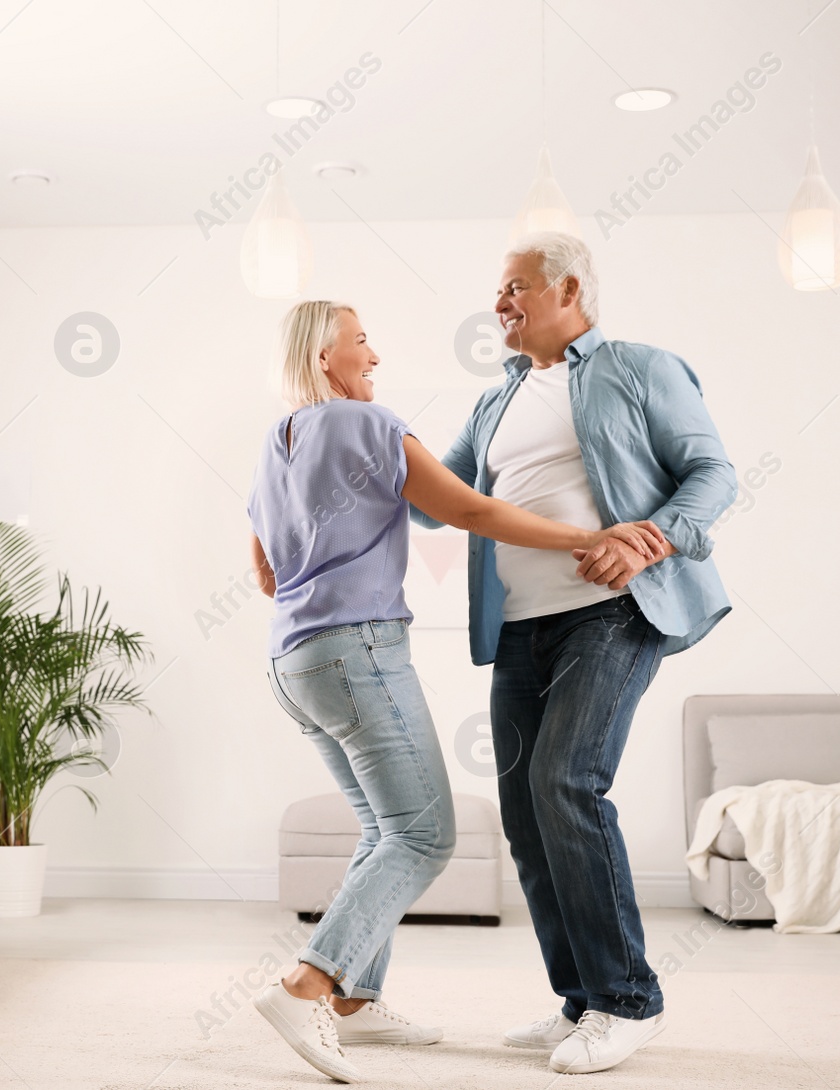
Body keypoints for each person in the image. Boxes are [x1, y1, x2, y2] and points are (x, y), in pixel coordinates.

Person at [245, 299, 668, 1084]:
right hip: (357, 651)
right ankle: (309, 984)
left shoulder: (278, 440)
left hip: (293, 663)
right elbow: (467, 508)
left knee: (381, 829)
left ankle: (357, 1003)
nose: (375, 354)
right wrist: (589, 534)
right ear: (325, 356)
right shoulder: (368, 424)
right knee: (424, 834)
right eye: (362, 340)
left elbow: (267, 572)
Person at [412, 232, 736, 1074]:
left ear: (568, 291)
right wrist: (350, 444)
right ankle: (581, 999)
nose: (499, 303)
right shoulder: (495, 402)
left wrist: (649, 542)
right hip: (521, 628)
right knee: (525, 812)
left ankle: (630, 999)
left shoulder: (637, 367)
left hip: (613, 611)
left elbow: (713, 473)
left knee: (566, 780)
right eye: (499, 290)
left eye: (515, 286)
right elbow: (435, 501)